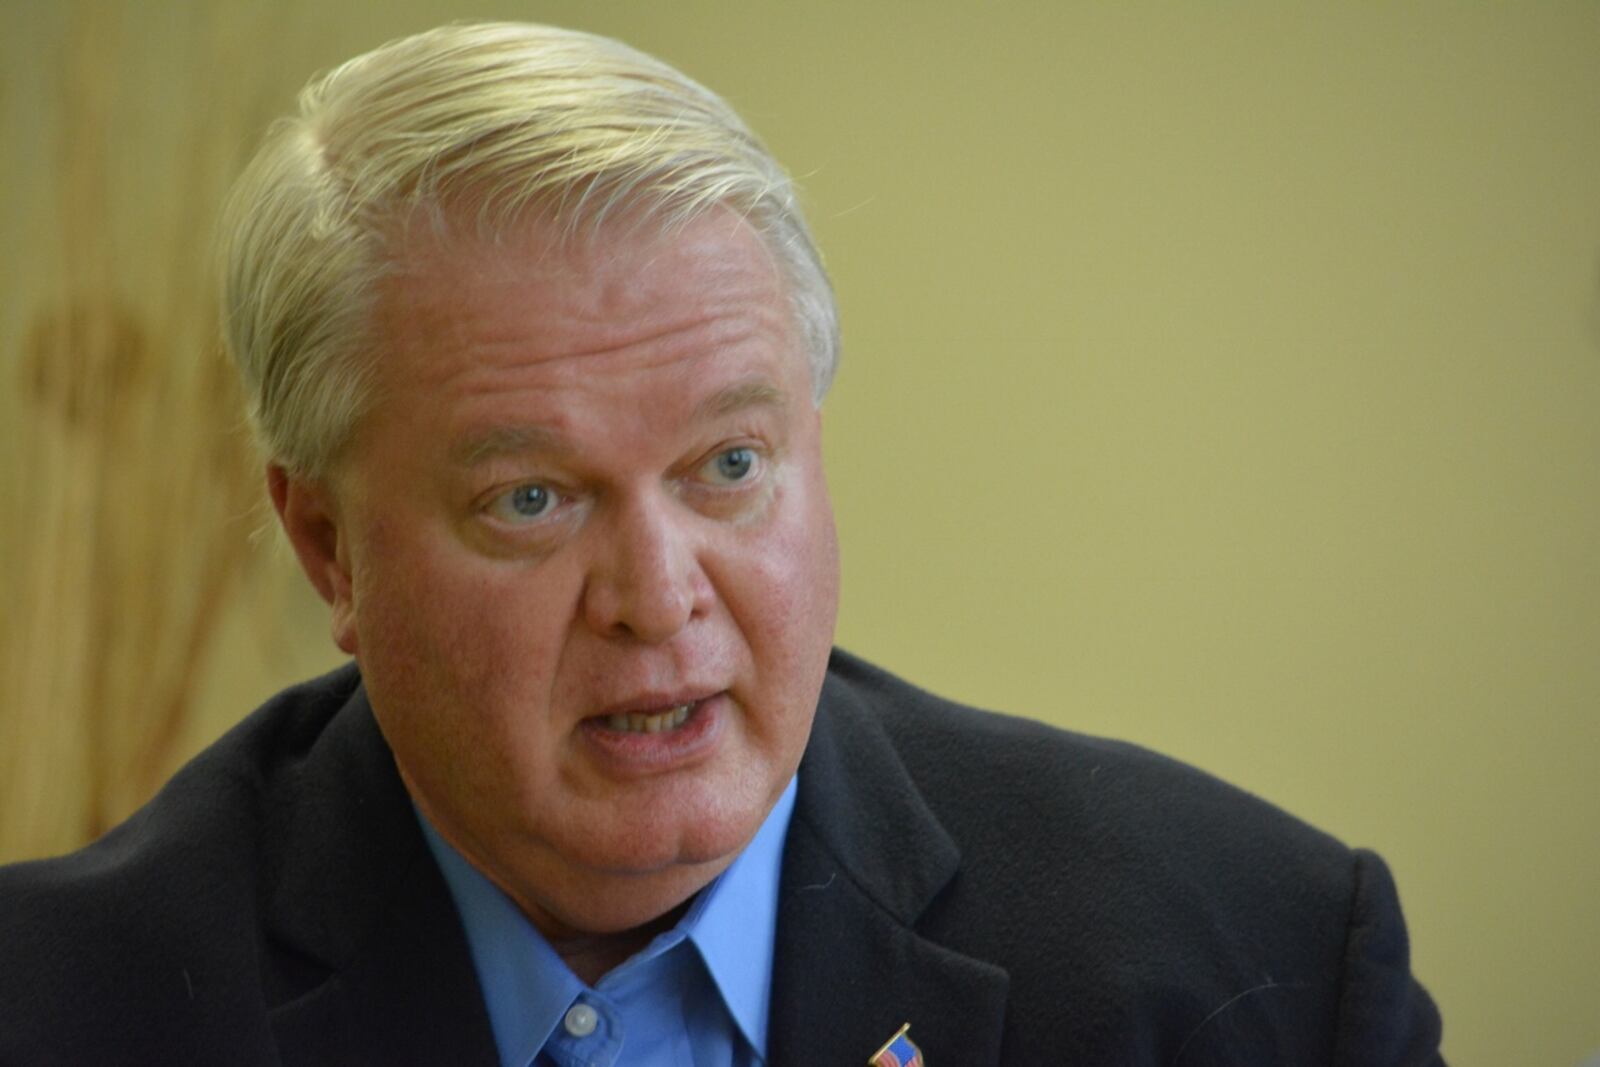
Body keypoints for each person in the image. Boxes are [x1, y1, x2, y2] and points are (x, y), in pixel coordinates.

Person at [0, 21, 1445, 1066]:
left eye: (729, 466)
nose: (657, 599)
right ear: (329, 551)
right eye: (533, 500)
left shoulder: (1251, 968)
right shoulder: (66, 1007)